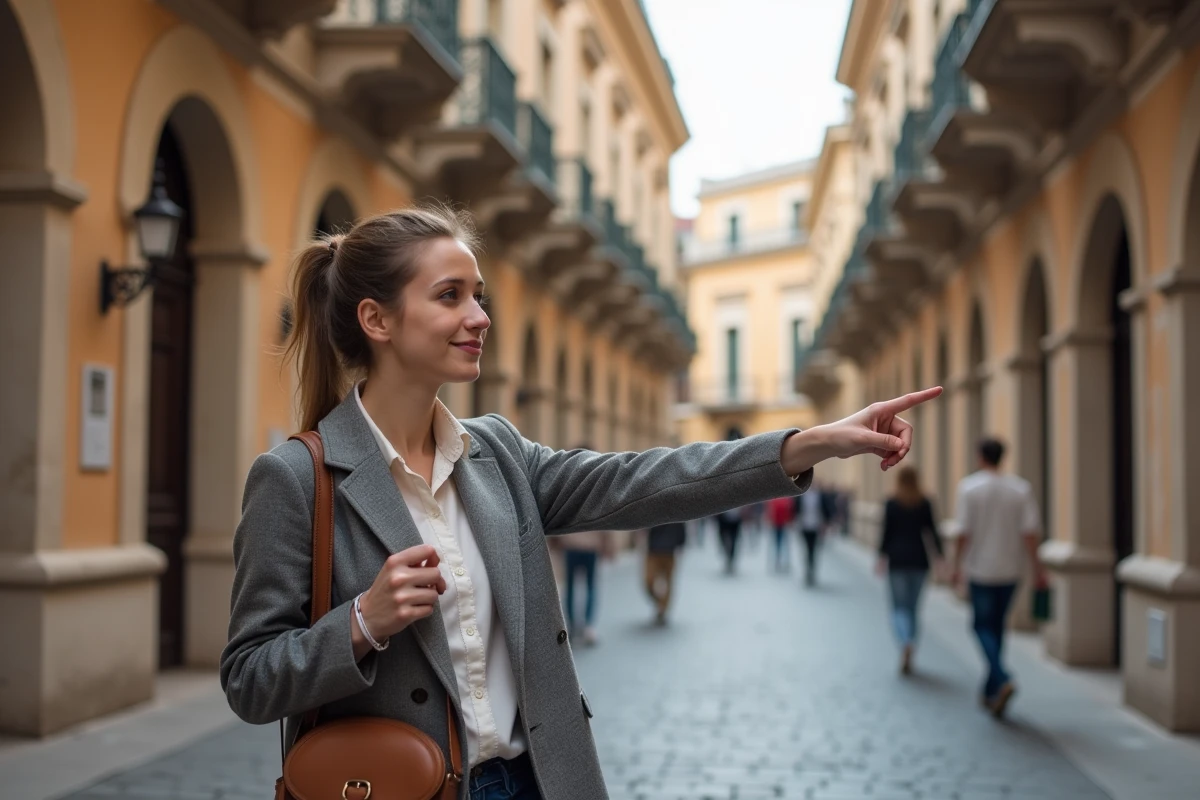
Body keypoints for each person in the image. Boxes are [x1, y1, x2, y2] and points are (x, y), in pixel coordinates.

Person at [219, 204, 941, 800]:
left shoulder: (494, 453)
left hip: (538, 781)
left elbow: (646, 479)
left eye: (479, 295)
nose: (479, 317)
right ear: (377, 321)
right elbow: (250, 678)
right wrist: (362, 624)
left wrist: (809, 444)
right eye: (450, 297)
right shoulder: (295, 478)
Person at [952, 437, 1047, 719]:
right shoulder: (1020, 489)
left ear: (981, 457)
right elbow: (1030, 533)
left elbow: (963, 533)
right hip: (1010, 570)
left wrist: (957, 565)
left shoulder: (969, 488)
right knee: (997, 627)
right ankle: (991, 689)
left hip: (981, 569)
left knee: (981, 626)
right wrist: (1038, 568)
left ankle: (1002, 678)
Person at [876, 467, 944, 675]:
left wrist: (881, 556)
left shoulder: (892, 502)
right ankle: (911, 643)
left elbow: (886, 532)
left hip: (897, 560)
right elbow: (932, 531)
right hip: (919, 560)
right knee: (913, 609)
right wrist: (940, 557)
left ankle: (904, 642)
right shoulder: (924, 502)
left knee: (898, 608)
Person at [558, 515, 617, 646]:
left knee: (570, 587)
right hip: (591, 544)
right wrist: (609, 545)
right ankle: (588, 627)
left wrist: (557, 540)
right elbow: (605, 518)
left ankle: (572, 625)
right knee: (590, 586)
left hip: (571, 543)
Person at [644, 521, 687, 624]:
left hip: (669, 550)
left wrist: (681, 543)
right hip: (653, 549)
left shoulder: (677, 508)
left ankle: (662, 608)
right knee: (649, 579)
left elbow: (681, 524)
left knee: (668, 580)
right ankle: (660, 603)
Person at [797, 483, 829, 586]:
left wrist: (825, 524)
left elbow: (825, 509)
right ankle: (807, 570)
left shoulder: (820, 496)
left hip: (816, 527)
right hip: (805, 526)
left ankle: (812, 570)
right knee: (807, 549)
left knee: (813, 550)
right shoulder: (802, 496)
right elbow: (796, 509)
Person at [766, 495, 797, 573]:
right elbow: (771, 512)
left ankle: (782, 562)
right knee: (779, 544)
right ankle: (779, 561)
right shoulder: (780, 500)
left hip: (782, 524)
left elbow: (790, 512)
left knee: (782, 544)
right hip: (778, 524)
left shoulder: (783, 500)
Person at [716, 505, 743, 575]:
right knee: (724, 542)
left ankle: (730, 561)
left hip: (734, 523)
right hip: (724, 522)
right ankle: (727, 558)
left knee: (733, 542)